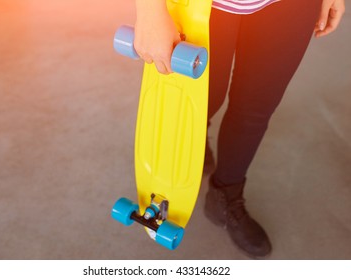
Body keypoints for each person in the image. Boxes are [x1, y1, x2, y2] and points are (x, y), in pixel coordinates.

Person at [133, 0, 345, 258]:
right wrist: (150, 11)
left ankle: (225, 197)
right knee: (199, 102)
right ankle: (197, 145)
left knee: (256, 106)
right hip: (205, 6)